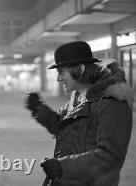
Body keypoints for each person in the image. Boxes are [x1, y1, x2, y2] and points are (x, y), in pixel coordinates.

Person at [25, 41, 133, 186]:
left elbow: (110, 157)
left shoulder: (112, 103)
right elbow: (60, 125)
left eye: (62, 72)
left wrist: (62, 167)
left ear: (80, 69)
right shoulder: (78, 96)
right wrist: (39, 109)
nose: (58, 78)